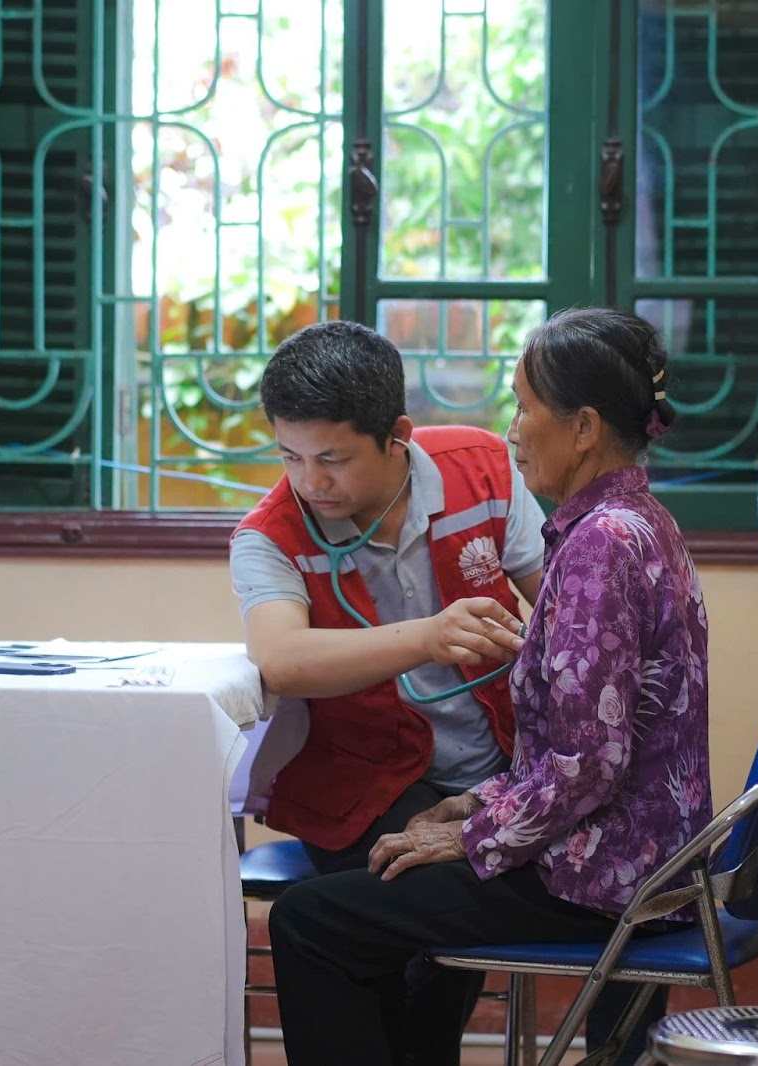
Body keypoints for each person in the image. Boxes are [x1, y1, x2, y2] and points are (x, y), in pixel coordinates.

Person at [265, 306, 712, 1066]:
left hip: (600, 870)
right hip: (643, 851)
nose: (510, 429)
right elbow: (583, 746)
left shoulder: (598, 546)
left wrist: (470, 835)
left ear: (584, 428)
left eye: (525, 406)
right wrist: (480, 801)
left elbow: (586, 766)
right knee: (379, 883)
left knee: (310, 922)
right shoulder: (639, 522)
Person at [229, 319, 545, 1057]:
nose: (310, 482)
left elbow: (561, 605)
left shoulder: (484, 468)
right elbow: (280, 659)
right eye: (290, 457)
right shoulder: (268, 535)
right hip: (365, 787)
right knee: (404, 910)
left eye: (332, 459)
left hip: (498, 771)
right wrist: (428, 636)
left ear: (397, 434)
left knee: (432, 931)